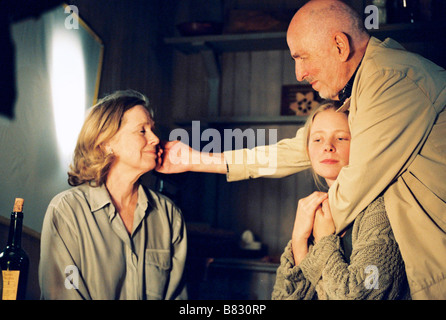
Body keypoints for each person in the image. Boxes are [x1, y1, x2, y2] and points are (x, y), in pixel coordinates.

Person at [157, 0, 446, 299]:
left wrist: (303, 235)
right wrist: (196, 160)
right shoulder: (370, 85)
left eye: (302, 57)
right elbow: (292, 152)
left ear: (339, 45)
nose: (299, 73)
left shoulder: (391, 82)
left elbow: (353, 189)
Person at [39, 90, 187, 300]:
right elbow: (62, 293)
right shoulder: (67, 211)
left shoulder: (169, 215)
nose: (155, 139)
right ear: (106, 142)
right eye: (142, 131)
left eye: (152, 129)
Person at [272, 103, 409, 300]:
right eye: (317, 139)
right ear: (308, 150)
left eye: (341, 138)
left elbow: (361, 295)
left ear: (361, 145)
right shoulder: (315, 213)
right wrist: (299, 241)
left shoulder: (381, 210)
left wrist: (324, 241)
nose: (328, 146)